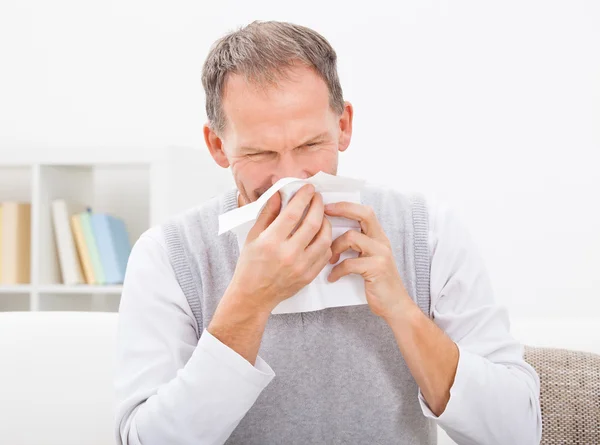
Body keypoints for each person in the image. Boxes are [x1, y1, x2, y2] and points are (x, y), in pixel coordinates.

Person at [115, 20, 542, 445]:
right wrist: (247, 302)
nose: (290, 177)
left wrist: (402, 310)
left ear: (344, 126)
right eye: (260, 152)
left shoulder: (427, 232)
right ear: (217, 146)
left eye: (309, 145)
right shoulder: (169, 256)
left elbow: (517, 432)